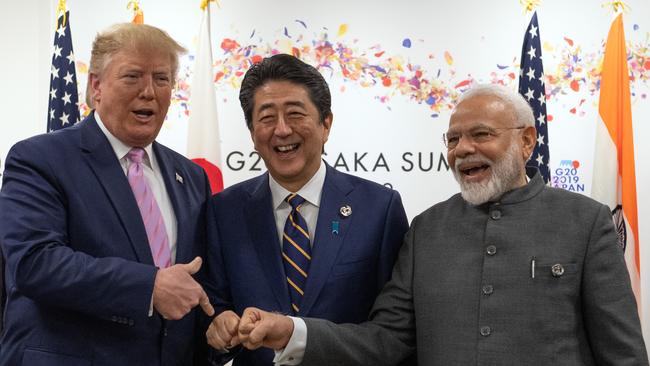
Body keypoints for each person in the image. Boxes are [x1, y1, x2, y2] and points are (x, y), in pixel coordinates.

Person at [232, 83, 649, 365]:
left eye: (481, 134)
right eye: (452, 140)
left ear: (526, 141)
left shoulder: (586, 221)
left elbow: (623, 355)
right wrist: (293, 332)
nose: (463, 149)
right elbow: (386, 340)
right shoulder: (428, 229)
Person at [0, 23, 215, 365]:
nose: (149, 91)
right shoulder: (40, 159)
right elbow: (34, 262)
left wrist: (222, 327)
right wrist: (149, 287)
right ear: (96, 86)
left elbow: (195, 280)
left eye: (161, 79)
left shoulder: (190, 177)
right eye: (133, 76)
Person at [204, 54, 410, 365]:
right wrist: (219, 332)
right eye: (267, 117)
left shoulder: (378, 209)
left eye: (295, 114)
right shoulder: (224, 211)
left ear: (325, 124)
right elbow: (212, 313)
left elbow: (395, 334)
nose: (282, 130)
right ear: (252, 133)